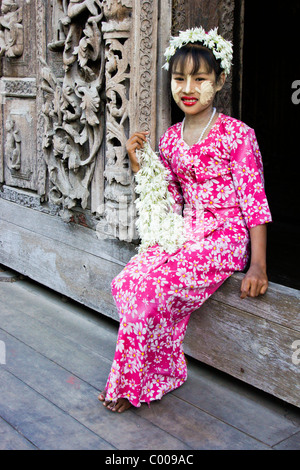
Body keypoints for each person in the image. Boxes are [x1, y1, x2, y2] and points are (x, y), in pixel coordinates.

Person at [98, 26, 272, 413]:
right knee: (126, 282)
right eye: (178, 79)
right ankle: (165, 366)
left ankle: (132, 385)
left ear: (220, 81)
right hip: (183, 232)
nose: (187, 88)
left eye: (200, 78)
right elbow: (169, 198)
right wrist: (137, 161)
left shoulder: (237, 135)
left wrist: (257, 265)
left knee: (147, 293)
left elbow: (255, 203)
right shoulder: (171, 139)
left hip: (222, 239)